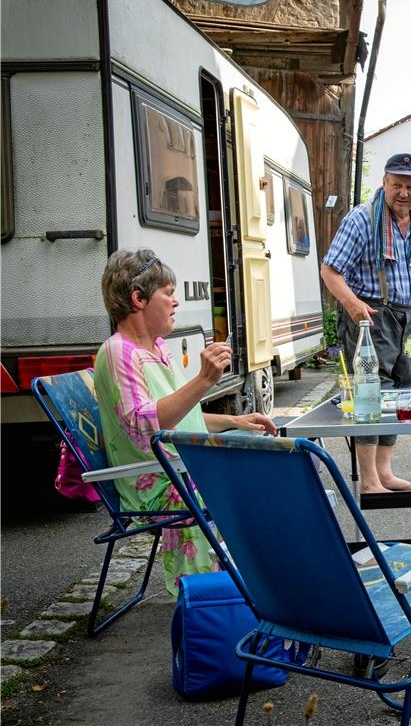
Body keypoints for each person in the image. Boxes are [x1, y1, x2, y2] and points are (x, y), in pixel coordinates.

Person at [93, 249, 277, 595]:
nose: (175, 303)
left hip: (177, 468)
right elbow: (141, 427)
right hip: (155, 486)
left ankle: (253, 582)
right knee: (225, 484)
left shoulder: (158, 348)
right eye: (168, 293)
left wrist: (233, 419)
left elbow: (180, 415)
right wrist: (204, 380)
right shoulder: (119, 351)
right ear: (138, 299)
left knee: (257, 469)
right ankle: (213, 596)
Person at [320, 153, 411, 493]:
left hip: (407, 317)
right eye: (396, 184)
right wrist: (351, 303)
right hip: (370, 315)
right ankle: (368, 480)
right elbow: (330, 270)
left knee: (401, 386)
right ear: (384, 182)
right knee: (371, 391)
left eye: (410, 186)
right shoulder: (361, 220)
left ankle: (385, 472)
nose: (403, 192)